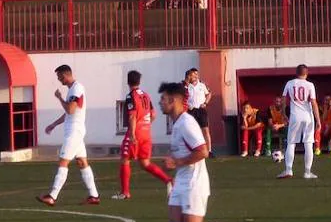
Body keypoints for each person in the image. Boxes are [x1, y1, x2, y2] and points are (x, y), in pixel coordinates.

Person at [161, 81, 260, 222]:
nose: (160, 102)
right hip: (182, 181)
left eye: (163, 99)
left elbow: (203, 151)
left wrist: (177, 162)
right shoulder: (178, 123)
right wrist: (174, 176)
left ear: (173, 100)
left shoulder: (187, 123)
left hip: (194, 184)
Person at [37, 65, 100, 206]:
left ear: (65, 75)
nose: (59, 80)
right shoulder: (73, 89)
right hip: (76, 131)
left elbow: (70, 110)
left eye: (59, 77)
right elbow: (69, 112)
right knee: (82, 162)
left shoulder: (77, 88)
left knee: (63, 162)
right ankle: (94, 196)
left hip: (74, 132)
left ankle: (52, 196)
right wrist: (53, 124)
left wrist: (59, 98)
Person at [112, 70, 172, 200]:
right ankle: (169, 180)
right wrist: (145, 124)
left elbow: (132, 116)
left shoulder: (130, 96)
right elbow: (153, 114)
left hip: (136, 133)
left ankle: (125, 192)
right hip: (146, 132)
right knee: (145, 163)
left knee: (125, 159)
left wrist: (133, 133)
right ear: (139, 81)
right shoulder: (146, 95)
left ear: (127, 82)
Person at [277, 64, 319, 179]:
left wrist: (284, 113)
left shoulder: (290, 83)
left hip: (295, 116)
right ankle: (307, 172)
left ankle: (288, 170)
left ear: (296, 73)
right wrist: (318, 120)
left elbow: (283, 99)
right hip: (308, 116)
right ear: (307, 73)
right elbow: (314, 103)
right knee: (308, 144)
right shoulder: (310, 85)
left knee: (291, 143)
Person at [184, 68, 213, 157]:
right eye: (193, 74)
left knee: (205, 130)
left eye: (196, 74)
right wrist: (186, 105)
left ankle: (209, 151)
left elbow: (209, 93)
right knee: (191, 131)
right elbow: (181, 97)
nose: (196, 76)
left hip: (201, 110)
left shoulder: (202, 85)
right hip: (191, 110)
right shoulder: (186, 86)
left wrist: (205, 103)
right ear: (189, 76)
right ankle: (192, 151)